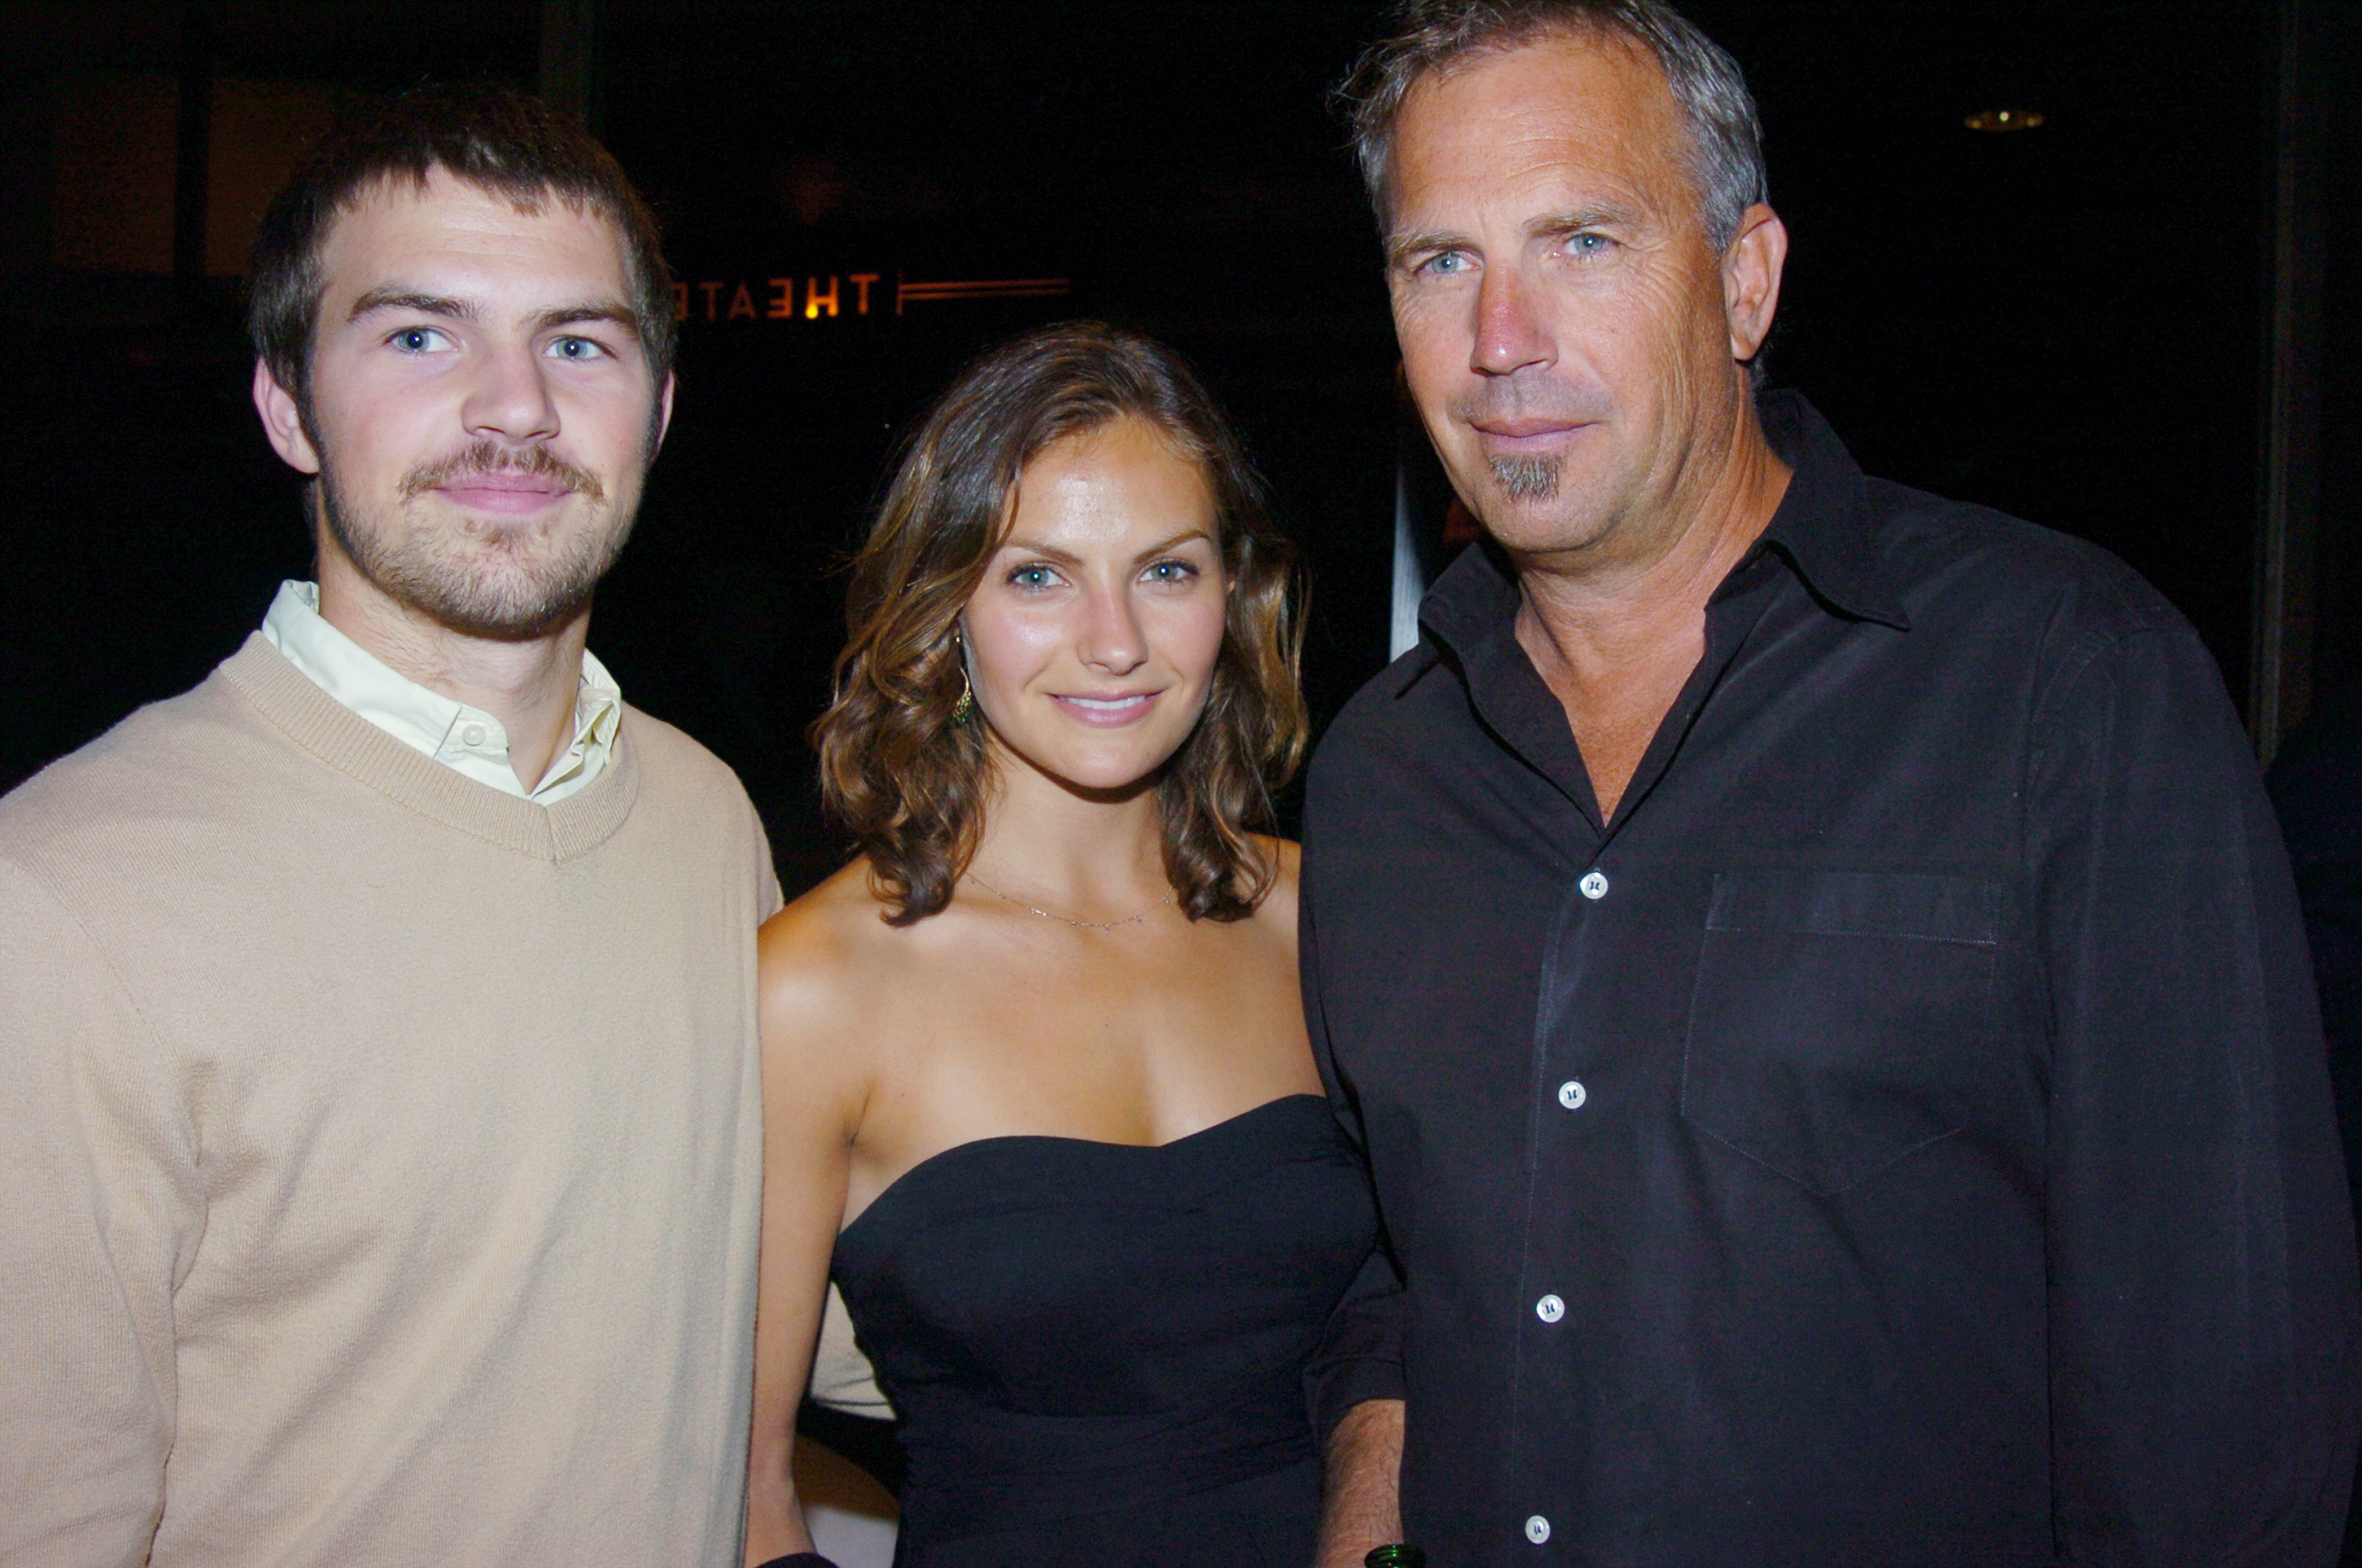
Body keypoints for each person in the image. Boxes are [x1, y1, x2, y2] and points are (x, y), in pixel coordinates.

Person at [1301, 2, 2362, 1564]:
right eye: (1439, 261)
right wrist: (1365, 1496)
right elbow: (1401, 1260)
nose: (1501, 341)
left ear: (1747, 280)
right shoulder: (1380, 774)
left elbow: (2223, 1392)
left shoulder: (2062, 681)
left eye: (1581, 241)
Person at [0, 84, 861, 1564]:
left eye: (577, 343)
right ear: (286, 403)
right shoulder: (62, 894)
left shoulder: (703, 822)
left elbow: (760, 1295)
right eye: (419, 335)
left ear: (657, 408)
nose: (514, 408)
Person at [742, 322, 1378, 1567]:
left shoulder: (1329, 918)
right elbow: (751, 1499)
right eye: (1039, 575)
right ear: (946, 609)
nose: (1116, 641)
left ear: (1233, 598)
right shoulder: (820, 988)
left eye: (1168, 571)